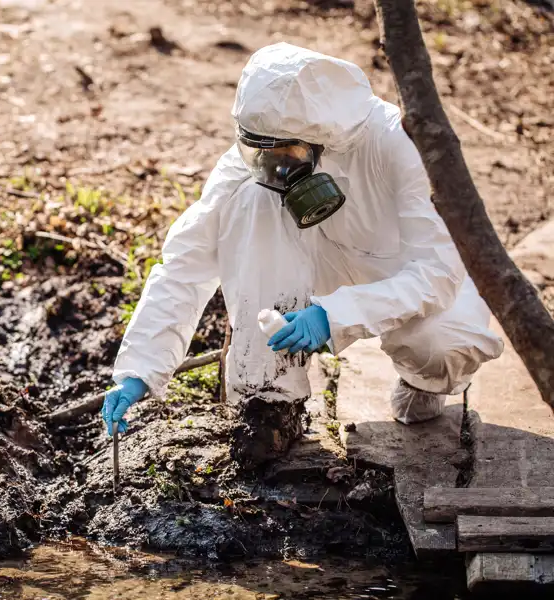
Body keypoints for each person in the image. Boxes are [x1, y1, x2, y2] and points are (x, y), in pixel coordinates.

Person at [101, 43, 504, 466]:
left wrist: (336, 316)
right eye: (259, 153)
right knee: (250, 200)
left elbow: (439, 271)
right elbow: (185, 259)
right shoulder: (268, 143)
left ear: (323, 140)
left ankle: (421, 383)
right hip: (323, 263)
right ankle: (270, 399)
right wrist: (139, 371)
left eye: (284, 156)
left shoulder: (398, 143)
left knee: (442, 347)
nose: (270, 166)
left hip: (409, 277)